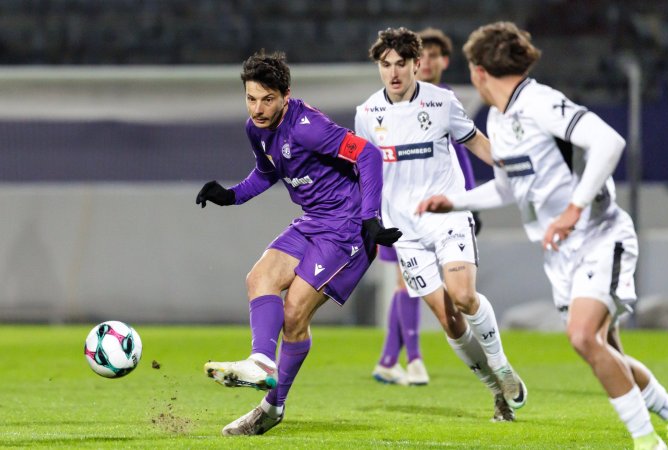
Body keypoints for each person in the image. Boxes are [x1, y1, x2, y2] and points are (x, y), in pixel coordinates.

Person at [418, 22, 668, 449]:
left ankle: (649, 443)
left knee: (584, 337)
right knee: (605, 351)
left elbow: (609, 143)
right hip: (562, 253)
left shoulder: (541, 102)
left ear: (477, 71)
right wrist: (455, 202)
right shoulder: (499, 117)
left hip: (600, 236)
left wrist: (574, 208)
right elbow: (511, 187)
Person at [196, 49, 401, 436]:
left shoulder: (308, 126)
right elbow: (266, 172)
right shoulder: (255, 128)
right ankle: (261, 362)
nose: (258, 108)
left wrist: (370, 218)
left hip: (346, 228)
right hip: (313, 221)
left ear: (285, 95)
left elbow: (368, 155)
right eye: (251, 98)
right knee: (259, 278)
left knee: (294, 314)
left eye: (267, 99)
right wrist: (231, 195)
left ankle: (271, 406)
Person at [356, 27, 526, 422]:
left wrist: (511, 168)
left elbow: (477, 142)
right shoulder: (367, 114)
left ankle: (501, 366)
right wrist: (369, 219)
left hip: (446, 215)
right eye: (385, 65)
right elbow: (365, 172)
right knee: (449, 321)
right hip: (404, 231)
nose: (393, 73)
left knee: (464, 296)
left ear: (418, 64)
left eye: (401, 64)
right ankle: (497, 393)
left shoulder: (442, 102)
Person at [371, 27, 483, 388]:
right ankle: (409, 359)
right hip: (400, 208)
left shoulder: (442, 99)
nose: (429, 62)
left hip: (439, 207)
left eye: (435, 56)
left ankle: (392, 359)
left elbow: (460, 152)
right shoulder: (381, 106)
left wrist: (470, 197)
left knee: (427, 286)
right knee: (407, 282)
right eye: (389, 64)